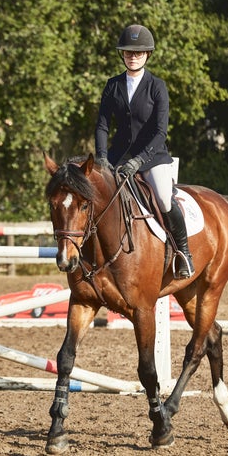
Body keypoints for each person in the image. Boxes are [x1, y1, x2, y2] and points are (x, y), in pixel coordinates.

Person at [94, 24, 194, 279]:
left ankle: (183, 252)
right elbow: (102, 125)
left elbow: (160, 131)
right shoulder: (113, 86)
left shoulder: (156, 86)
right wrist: (102, 157)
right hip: (117, 158)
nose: (132, 56)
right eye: (128, 52)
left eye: (138, 53)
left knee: (162, 196)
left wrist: (139, 161)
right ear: (123, 55)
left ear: (147, 54)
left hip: (152, 157)